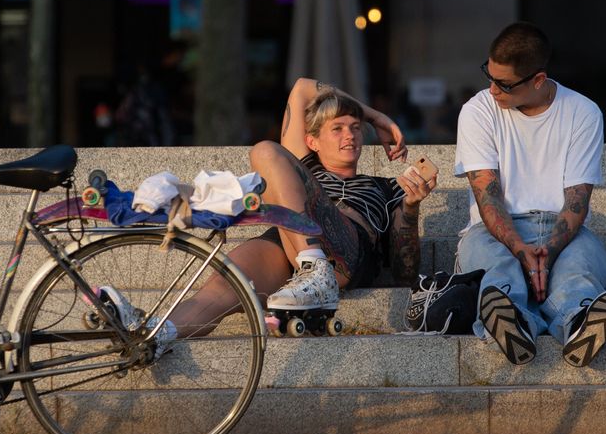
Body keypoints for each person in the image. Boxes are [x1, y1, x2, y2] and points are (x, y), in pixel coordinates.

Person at [163, 77, 435, 337]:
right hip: (288, 243)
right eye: (337, 128)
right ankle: (153, 335)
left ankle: (316, 270)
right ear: (312, 141)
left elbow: (405, 274)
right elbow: (302, 87)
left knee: (267, 151)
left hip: (346, 250)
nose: (350, 135)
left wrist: (410, 208)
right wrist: (375, 116)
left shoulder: (387, 188)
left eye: (355, 127)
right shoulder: (306, 169)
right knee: (217, 294)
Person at [454, 22, 606, 367]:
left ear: (538, 80)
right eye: (489, 74)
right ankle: (511, 319)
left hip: (562, 229)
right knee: (497, 268)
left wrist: (547, 253)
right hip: (494, 229)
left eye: (504, 84)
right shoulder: (477, 111)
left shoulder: (583, 113)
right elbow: (488, 196)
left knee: (577, 267)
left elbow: (577, 199)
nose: (493, 89)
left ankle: (579, 321)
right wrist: (521, 249)